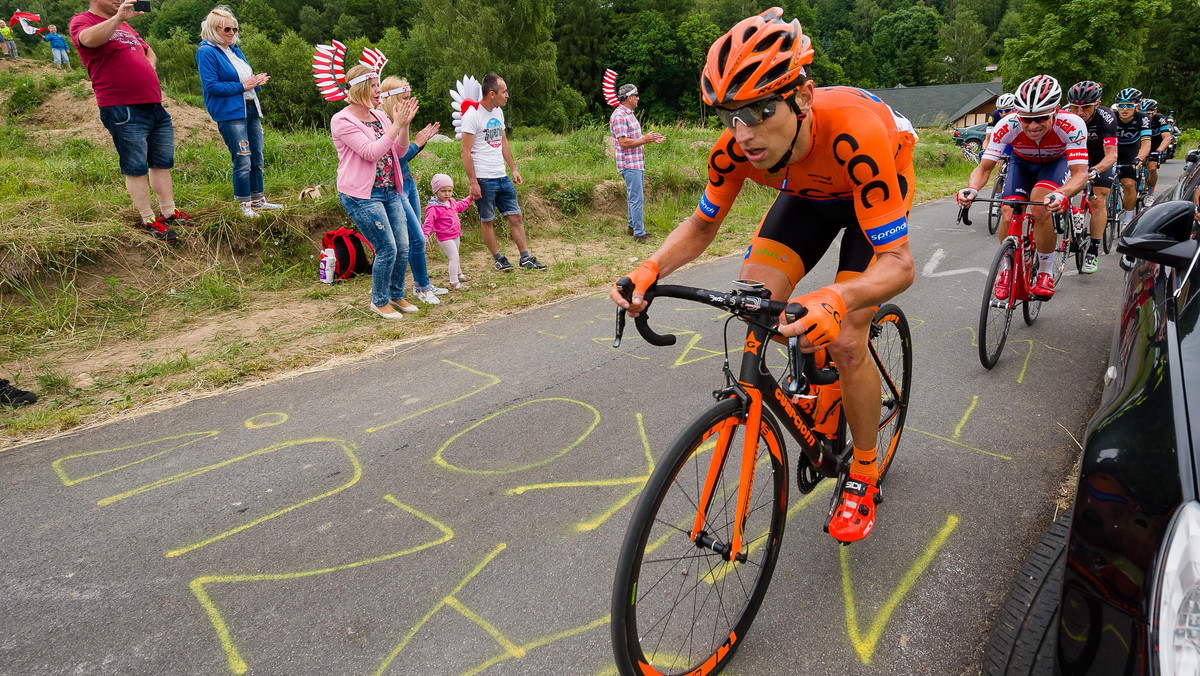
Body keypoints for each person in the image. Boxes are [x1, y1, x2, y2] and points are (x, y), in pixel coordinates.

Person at [611, 8, 918, 543]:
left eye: (760, 111)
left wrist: (837, 299)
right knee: (754, 303)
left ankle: (863, 473)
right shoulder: (736, 149)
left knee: (847, 335)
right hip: (806, 197)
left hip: (874, 186)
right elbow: (702, 225)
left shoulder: (856, 131)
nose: (745, 131)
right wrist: (650, 266)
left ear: (801, 98)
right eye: (733, 114)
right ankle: (816, 386)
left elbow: (899, 265)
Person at [71, 0, 193, 243]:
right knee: (135, 164)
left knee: (162, 162)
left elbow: (149, 51)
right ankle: (148, 219)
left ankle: (168, 212)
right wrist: (117, 18)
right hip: (121, 106)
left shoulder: (128, 28)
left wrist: (145, 69)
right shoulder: (83, 20)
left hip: (152, 103)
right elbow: (88, 40)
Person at [958, 75, 1088, 301]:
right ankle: (1007, 268)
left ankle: (1045, 272)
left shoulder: (1072, 125)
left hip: (1055, 164)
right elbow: (985, 168)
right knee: (1008, 211)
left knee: (1040, 206)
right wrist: (972, 189)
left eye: (1041, 118)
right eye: (1027, 119)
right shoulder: (1007, 125)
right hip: (1023, 163)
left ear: (1056, 110)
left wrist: (1062, 193)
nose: (1033, 125)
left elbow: (1080, 174)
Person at [331, 63, 420, 319]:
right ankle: (379, 301)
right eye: (373, 86)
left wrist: (404, 126)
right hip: (362, 195)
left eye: (377, 85)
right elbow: (371, 153)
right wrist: (396, 124)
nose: (378, 90)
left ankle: (395, 294)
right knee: (387, 248)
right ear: (359, 88)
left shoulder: (380, 116)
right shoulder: (342, 120)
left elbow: (399, 152)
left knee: (402, 246)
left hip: (390, 188)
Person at [196, 6, 282, 219]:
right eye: (227, 29)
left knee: (257, 157)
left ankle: (258, 200)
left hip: (251, 107)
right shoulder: (206, 51)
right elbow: (211, 86)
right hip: (231, 113)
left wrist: (256, 83)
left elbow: (247, 83)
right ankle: (243, 205)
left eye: (234, 28)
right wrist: (244, 86)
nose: (232, 33)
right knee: (243, 158)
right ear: (213, 29)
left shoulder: (234, 50)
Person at [460, 73, 547, 272]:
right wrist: (473, 182)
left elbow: (504, 142)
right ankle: (498, 258)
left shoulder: (498, 112)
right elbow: (465, 152)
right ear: (492, 94)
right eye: (504, 92)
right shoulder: (473, 115)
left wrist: (513, 169)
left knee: (516, 216)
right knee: (487, 220)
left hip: (502, 176)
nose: (507, 95)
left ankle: (525, 257)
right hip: (484, 178)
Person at [378, 76, 447, 304]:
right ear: (393, 99)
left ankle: (421, 284)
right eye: (404, 99)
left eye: (409, 98)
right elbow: (397, 157)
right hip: (396, 187)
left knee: (416, 237)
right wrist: (418, 142)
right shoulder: (383, 121)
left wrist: (421, 141)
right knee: (416, 238)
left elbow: (405, 155)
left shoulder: (399, 120)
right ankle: (419, 287)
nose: (408, 103)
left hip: (408, 182)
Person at [1066, 80, 1118, 274]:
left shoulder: (1107, 117)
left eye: (1085, 107)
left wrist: (1096, 169)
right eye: (1074, 107)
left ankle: (1093, 250)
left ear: (1097, 104)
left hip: (1099, 158)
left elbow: (1112, 154)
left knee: (1097, 199)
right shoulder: (1066, 115)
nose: (1079, 112)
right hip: (1075, 157)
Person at [609, 83, 665, 243]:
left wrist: (651, 138)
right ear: (629, 98)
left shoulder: (629, 114)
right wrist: (645, 140)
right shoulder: (620, 116)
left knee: (633, 197)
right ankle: (639, 234)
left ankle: (633, 227)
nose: (638, 98)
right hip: (629, 163)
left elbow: (635, 138)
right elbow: (624, 142)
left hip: (636, 162)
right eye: (636, 95)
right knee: (637, 198)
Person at [423, 173, 474, 291]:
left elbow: (460, 207)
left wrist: (469, 198)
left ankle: (459, 273)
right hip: (445, 237)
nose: (447, 194)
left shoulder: (451, 202)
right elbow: (428, 223)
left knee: (456, 254)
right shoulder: (433, 208)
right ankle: (454, 283)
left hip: (455, 234)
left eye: (450, 190)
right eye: (443, 191)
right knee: (453, 257)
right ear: (435, 191)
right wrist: (425, 235)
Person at [1111, 87, 1151, 228]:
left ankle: (1127, 219)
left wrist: (1139, 158)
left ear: (1137, 106)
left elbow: (1146, 143)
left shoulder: (1143, 118)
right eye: (1121, 105)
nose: (1125, 109)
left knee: (1128, 184)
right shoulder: (1111, 117)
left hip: (1131, 150)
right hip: (1113, 150)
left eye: (1129, 105)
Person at [1138, 98, 1172, 196]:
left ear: (1154, 112)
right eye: (1142, 113)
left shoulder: (1159, 118)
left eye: (1148, 114)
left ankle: (1150, 193)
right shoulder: (1137, 118)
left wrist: (1159, 150)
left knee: (1152, 168)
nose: (1145, 117)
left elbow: (1167, 137)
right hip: (1141, 142)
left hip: (1155, 143)